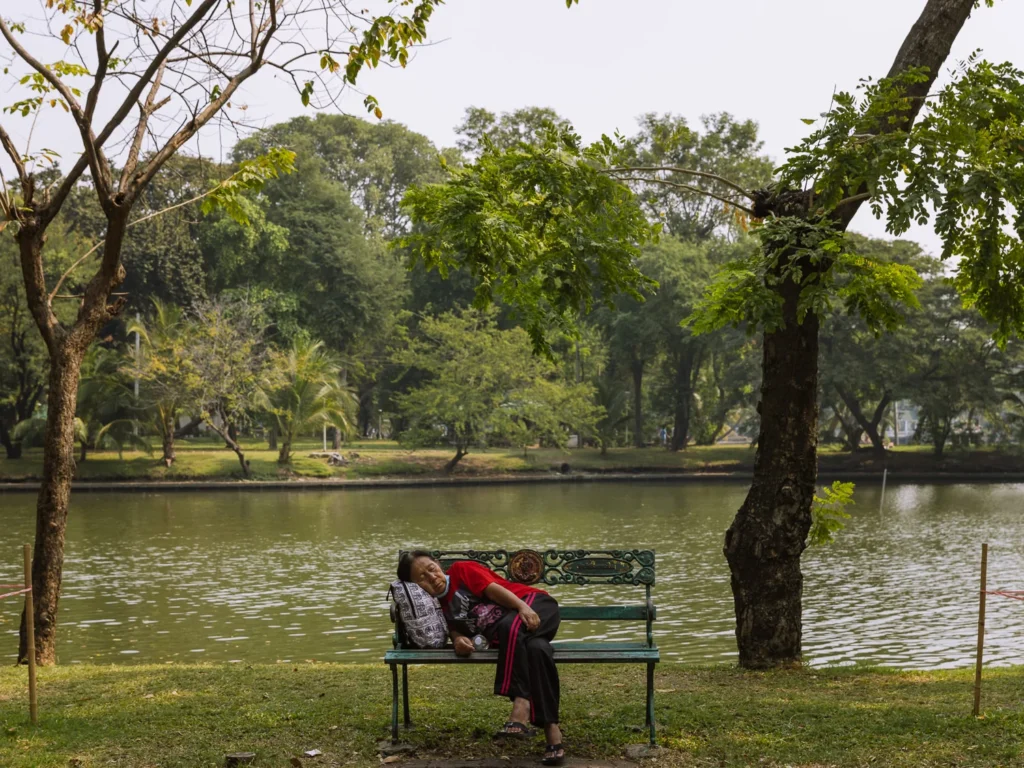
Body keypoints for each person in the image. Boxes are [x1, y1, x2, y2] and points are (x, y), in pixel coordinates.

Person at [398, 550, 565, 766]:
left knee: (509, 626)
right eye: (422, 578)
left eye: (432, 569)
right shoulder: (437, 607)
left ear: (438, 564)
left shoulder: (461, 570)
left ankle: (521, 705)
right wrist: (458, 640)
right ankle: (553, 735)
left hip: (534, 605)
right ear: (414, 585)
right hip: (519, 638)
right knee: (537, 650)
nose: (432, 578)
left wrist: (522, 607)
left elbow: (495, 591)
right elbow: (454, 630)